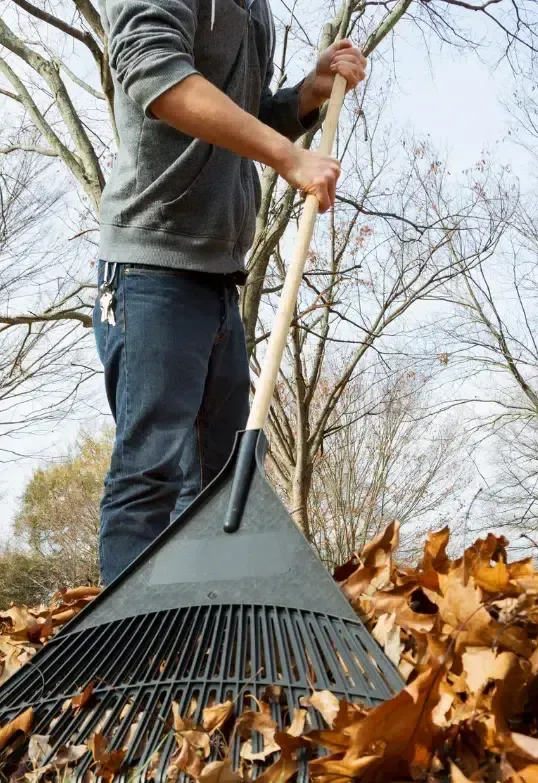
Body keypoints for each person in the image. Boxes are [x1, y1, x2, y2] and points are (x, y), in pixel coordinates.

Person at [94, 0, 366, 584]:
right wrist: (289, 156)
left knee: (216, 483)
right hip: (151, 267)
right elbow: (153, 72)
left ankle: (202, 628)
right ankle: (125, 638)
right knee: (150, 474)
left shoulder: (254, 8)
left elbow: (244, 115)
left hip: (221, 275)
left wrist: (308, 94)